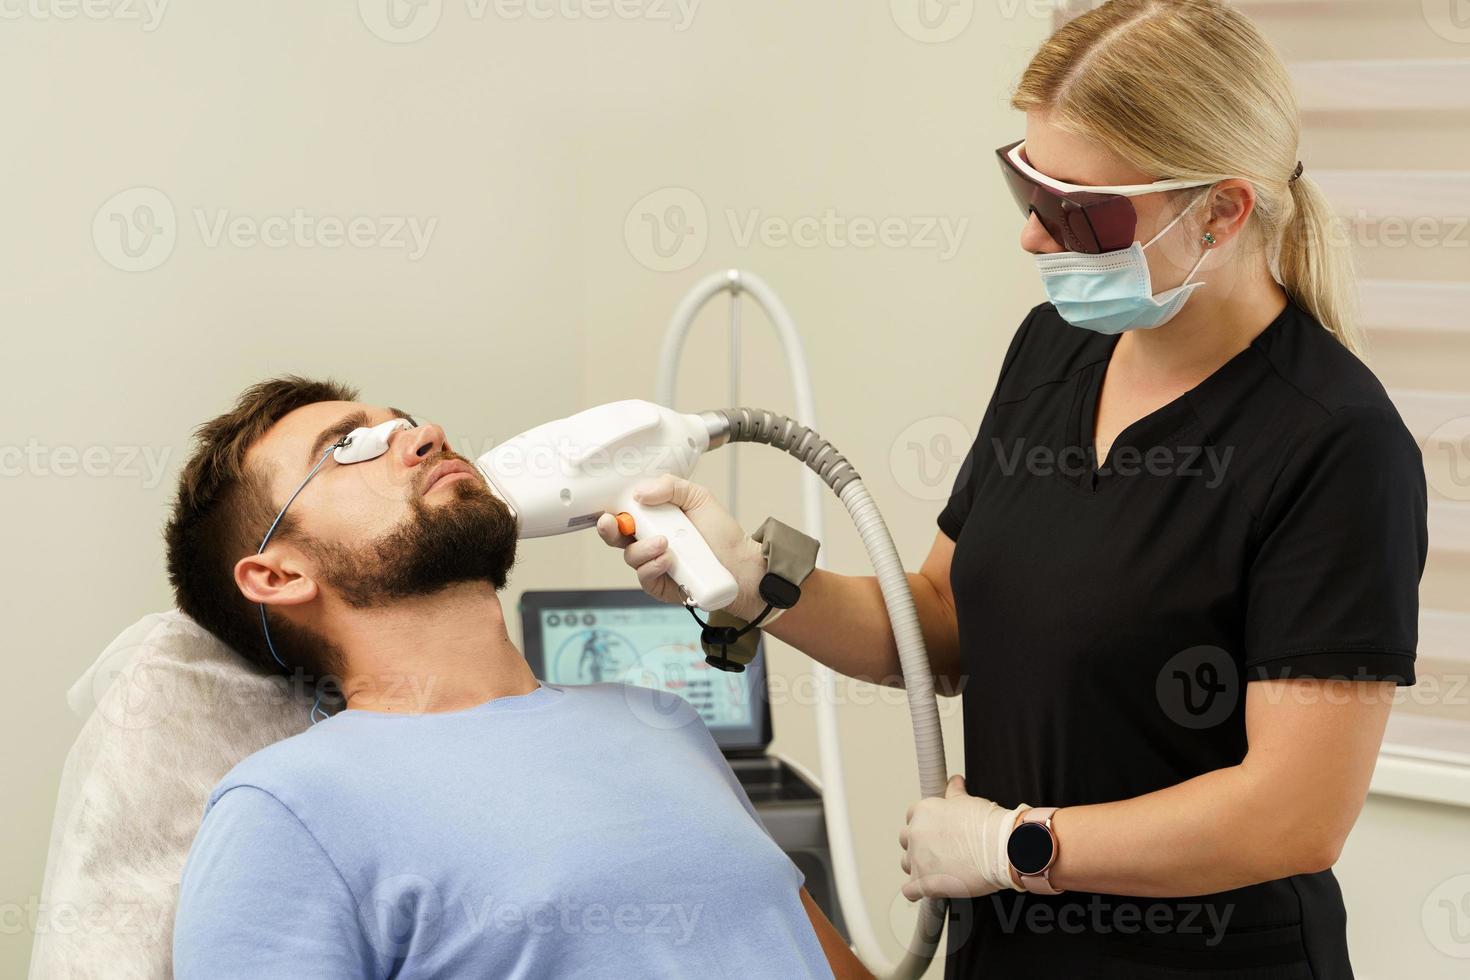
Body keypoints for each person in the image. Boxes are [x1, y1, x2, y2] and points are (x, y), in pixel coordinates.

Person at [596, 1, 1428, 976]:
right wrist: (757, 585)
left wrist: (1017, 845)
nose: (1034, 238)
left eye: (1078, 208)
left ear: (1223, 210)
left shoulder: (1335, 443)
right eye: (1024, 185)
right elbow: (945, 619)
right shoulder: (1056, 352)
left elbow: (1292, 815)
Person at [165, 376, 867, 979]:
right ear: (278, 575)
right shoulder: (286, 810)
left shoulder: (660, 721)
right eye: (349, 448)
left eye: (405, 424)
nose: (426, 435)